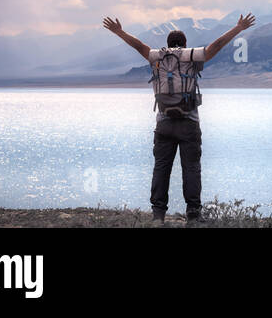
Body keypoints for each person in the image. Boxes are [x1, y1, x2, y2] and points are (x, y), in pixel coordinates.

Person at [102, 14, 256, 222]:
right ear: (184, 44)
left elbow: (138, 46)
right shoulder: (191, 55)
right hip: (189, 123)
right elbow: (216, 45)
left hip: (163, 123)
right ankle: (193, 215)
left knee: (161, 169)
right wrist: (238, 28)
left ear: (167, 44)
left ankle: (158, 217)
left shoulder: (156, 56)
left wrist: (119, 32)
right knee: (191, 168)